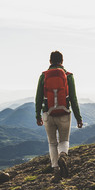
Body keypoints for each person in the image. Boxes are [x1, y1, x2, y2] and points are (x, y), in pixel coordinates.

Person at [35, 50, 83, 182]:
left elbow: (38, 97)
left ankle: (56, 170)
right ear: (62, 61)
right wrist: (79, 118)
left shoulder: (44, 76)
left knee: (52, 143)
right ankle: (63, 155)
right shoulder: (68, 76)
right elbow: (73, 98)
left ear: (50, 61)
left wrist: (37, 115)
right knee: (63, 141)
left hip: (48, 114)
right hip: (64, 114)